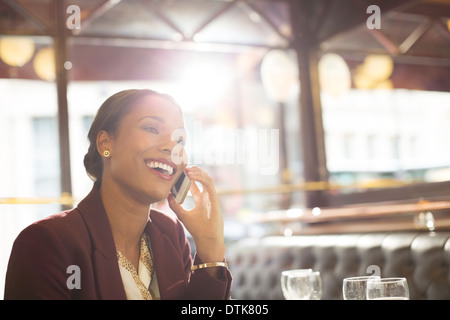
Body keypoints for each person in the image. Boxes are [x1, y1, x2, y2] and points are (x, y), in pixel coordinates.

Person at [4, 89, 232, 300]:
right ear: (105, 143)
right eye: (152, 129)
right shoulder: (46, 243)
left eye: (180, 140)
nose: (171, 147)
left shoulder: (171, 234)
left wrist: (210, 248)